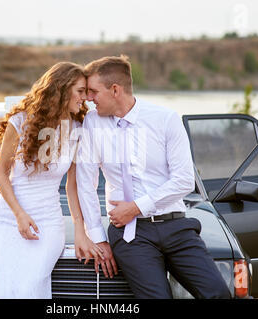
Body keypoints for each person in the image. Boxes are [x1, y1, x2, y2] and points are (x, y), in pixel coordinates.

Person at [76, 55, 231, 299]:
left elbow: (183, 180)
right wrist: (98, 238)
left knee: (219, 293)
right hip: (130, 235)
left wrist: (136, 207)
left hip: (176, 226)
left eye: (93, 91)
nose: (88, 98)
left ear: (115, 89)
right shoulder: (93, 123)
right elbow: (85, 183)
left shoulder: (166, 119)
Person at [0, 62, 104, 299]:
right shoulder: (20, 121)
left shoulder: (77, 129)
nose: (85, 98)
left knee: (30, 287)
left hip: (48, 223)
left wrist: (80, 230)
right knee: (5, 291)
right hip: (8, 221)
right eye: (80, 91)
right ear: (61, 89)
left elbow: (72, 186)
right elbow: (1, 173)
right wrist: (19, 215)